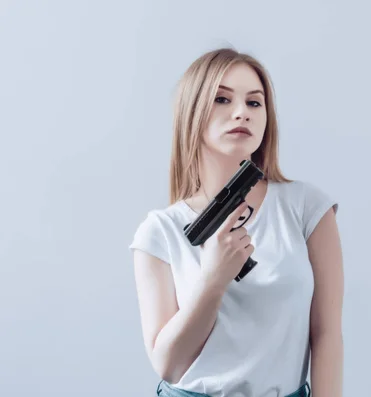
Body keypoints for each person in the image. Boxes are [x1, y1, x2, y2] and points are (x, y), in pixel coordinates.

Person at [128, 48, 344, 397]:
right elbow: (167, 363)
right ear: (192, 112)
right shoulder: (160, 232)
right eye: (222, 99)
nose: (241, 112)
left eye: (254, 103)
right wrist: (213, 279)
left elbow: (327, 334)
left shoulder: (307, 208)